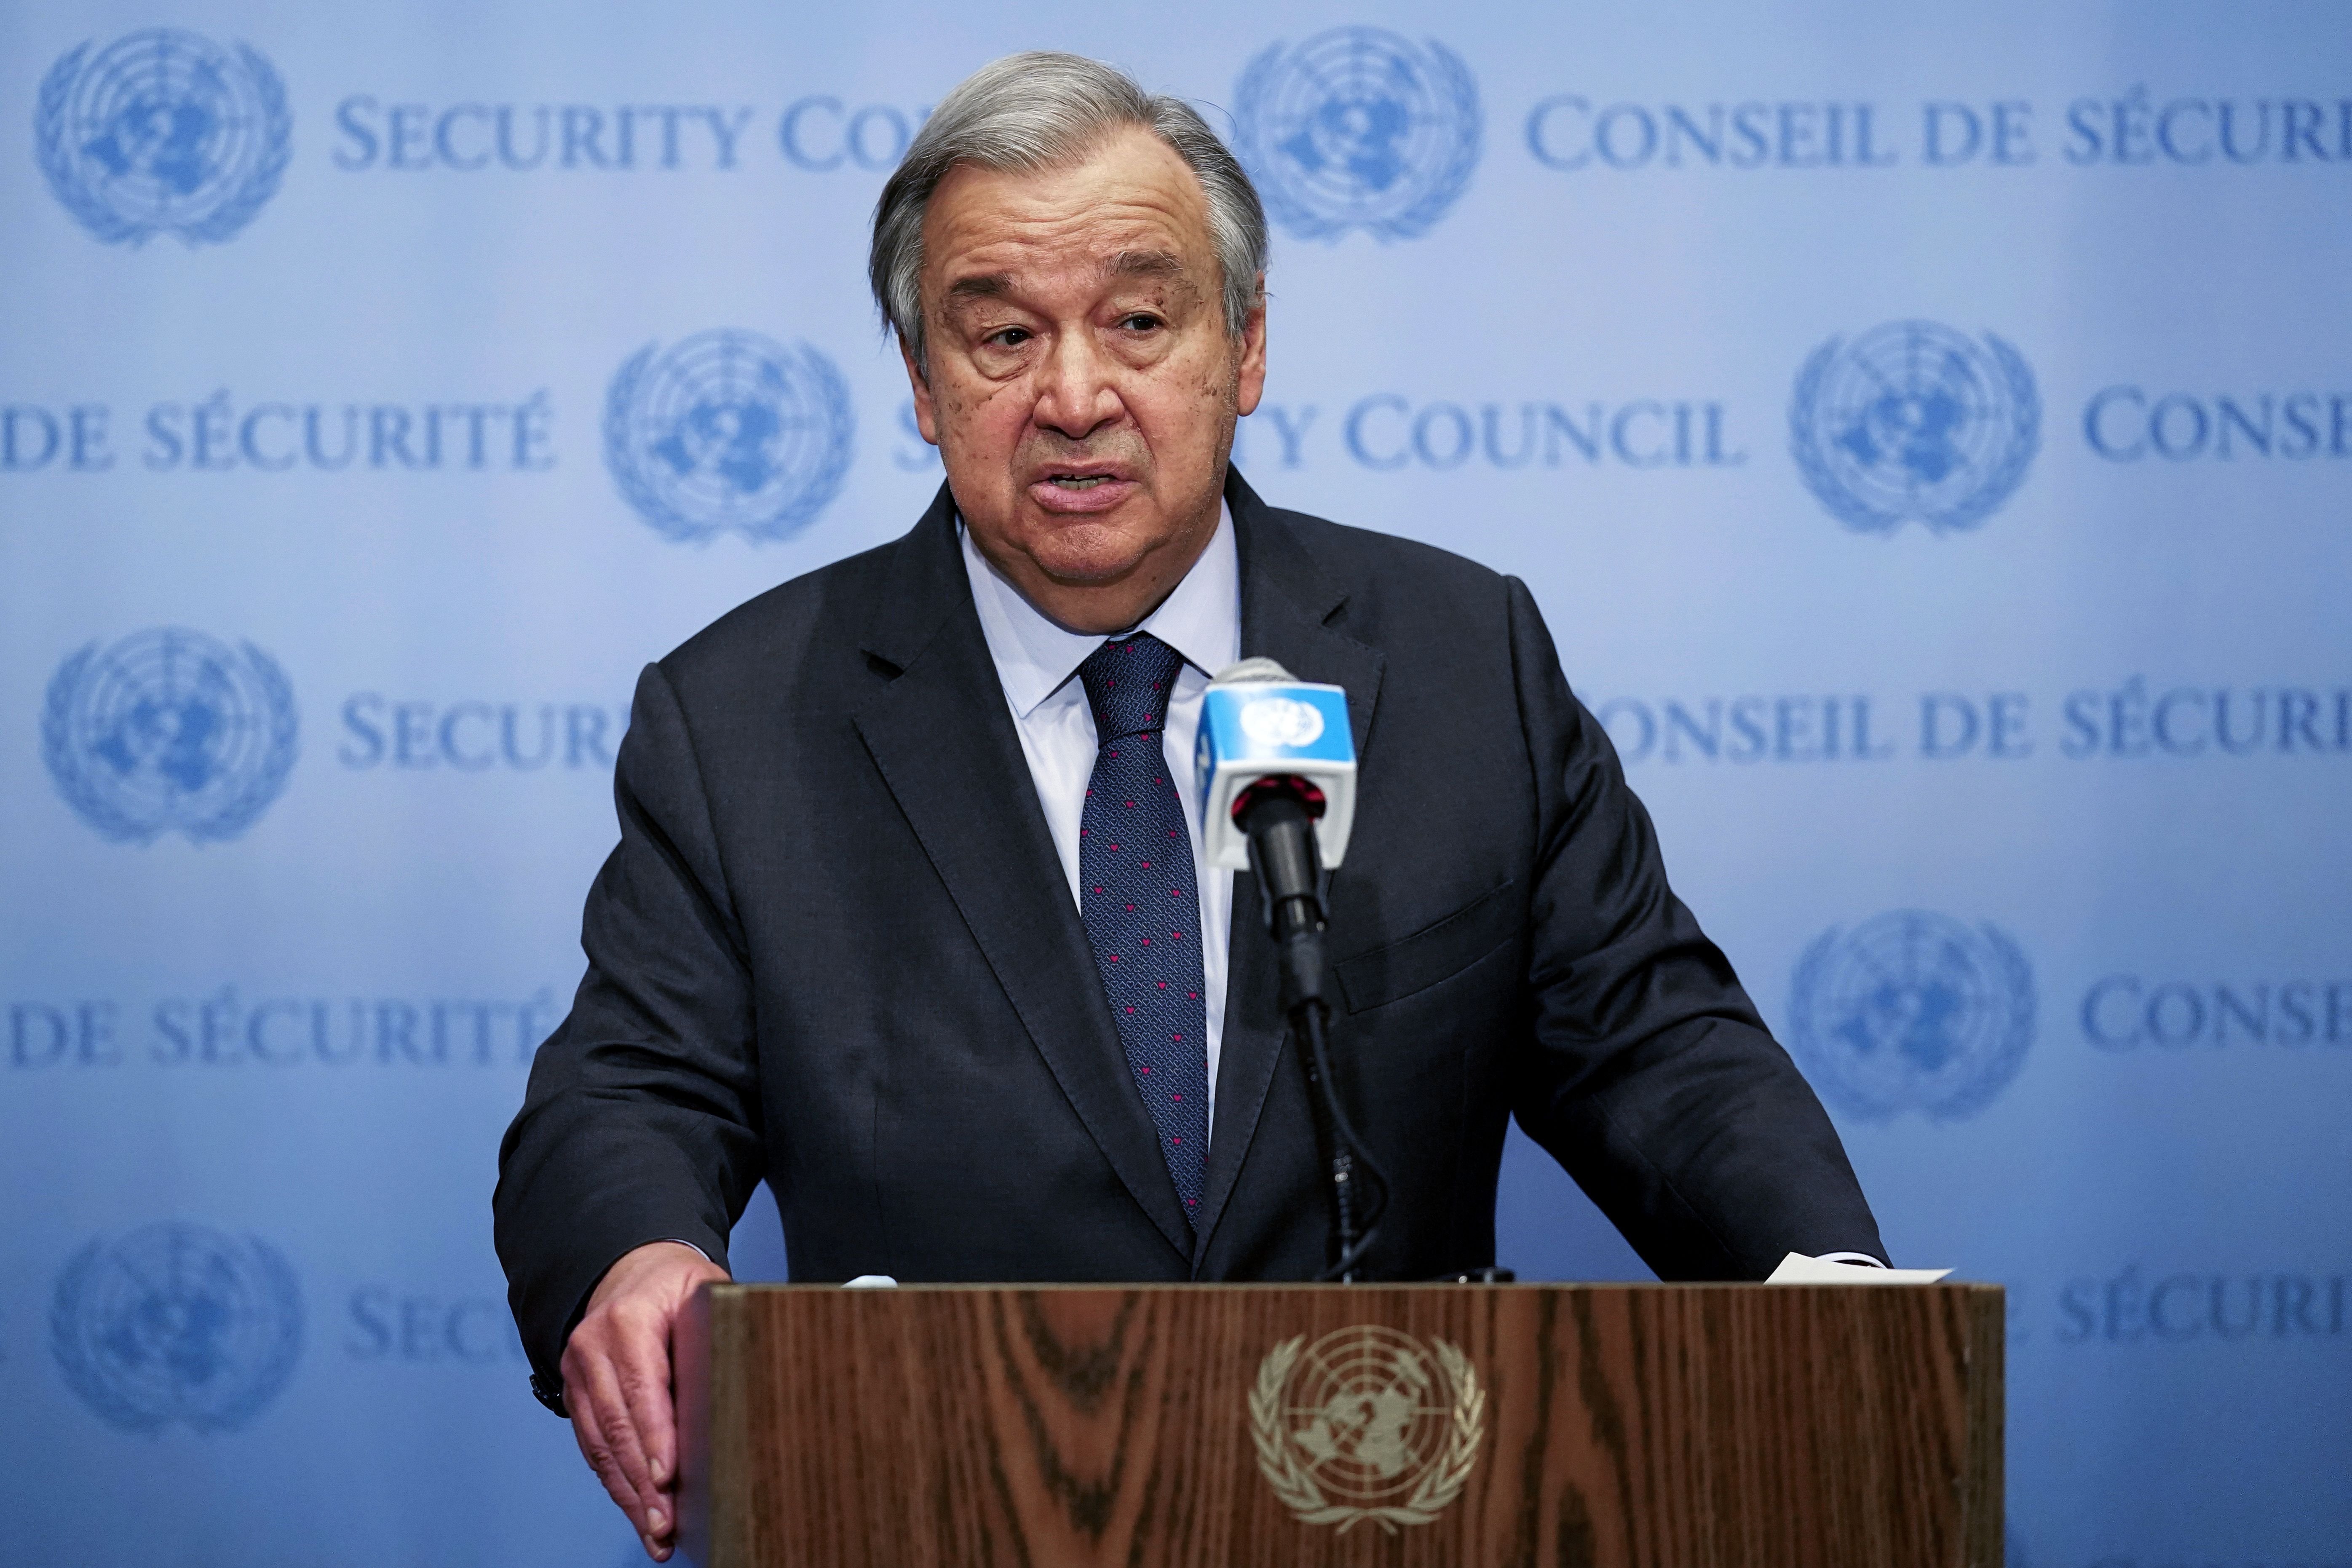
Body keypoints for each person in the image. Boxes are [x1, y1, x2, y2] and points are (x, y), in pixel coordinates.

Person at [494, 51, 1886, 1562]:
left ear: (1248, 344)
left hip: (1389, 1507)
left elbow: (1654, 1042)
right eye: (1002, 334)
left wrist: (1829, 1291)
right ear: (920, 381)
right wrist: (635, 1256)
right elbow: (628, 1089)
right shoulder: (745, 717)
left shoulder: (1458, 659)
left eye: (1140, 322)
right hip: (944, 1512)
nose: (1074, 395)